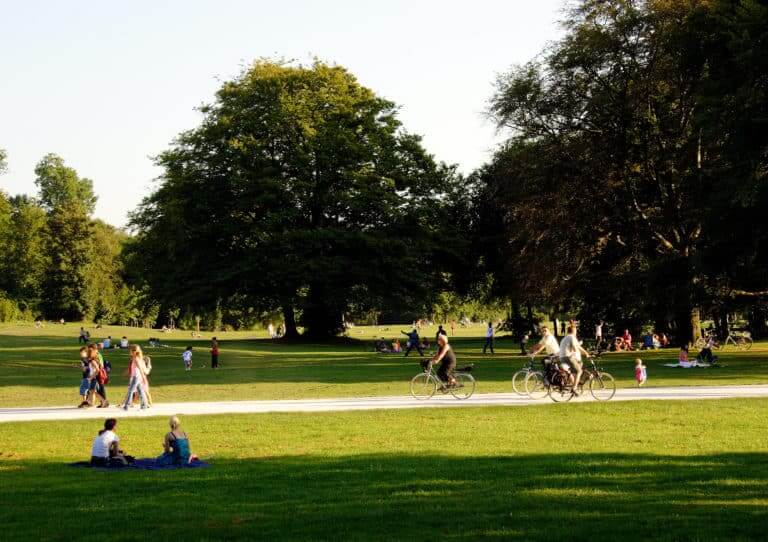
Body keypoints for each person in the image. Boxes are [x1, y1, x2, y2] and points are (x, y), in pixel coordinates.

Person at [559, 325, 591, 394]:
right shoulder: (572, 337)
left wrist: (586, 353)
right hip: (568, 357)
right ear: (574, 331)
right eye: (576, 330)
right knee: (579, 371)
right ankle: (574, 388)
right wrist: (577, 354)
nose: (576, 332)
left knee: (573, 371)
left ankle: (570, 384)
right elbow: (575, 347)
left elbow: (578, 346)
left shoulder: (566, 338)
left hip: (562, 357)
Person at [122, 345, 149, 410]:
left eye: (130, 350)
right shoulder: (136, 358)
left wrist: (143, 378)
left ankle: (126, 406)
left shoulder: (136, 358)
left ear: (134, 351)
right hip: (137, 377)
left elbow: (140, 369)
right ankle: (144, 405)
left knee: (130, 391)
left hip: (136, 377)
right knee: (140, 391)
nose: (129, 352)